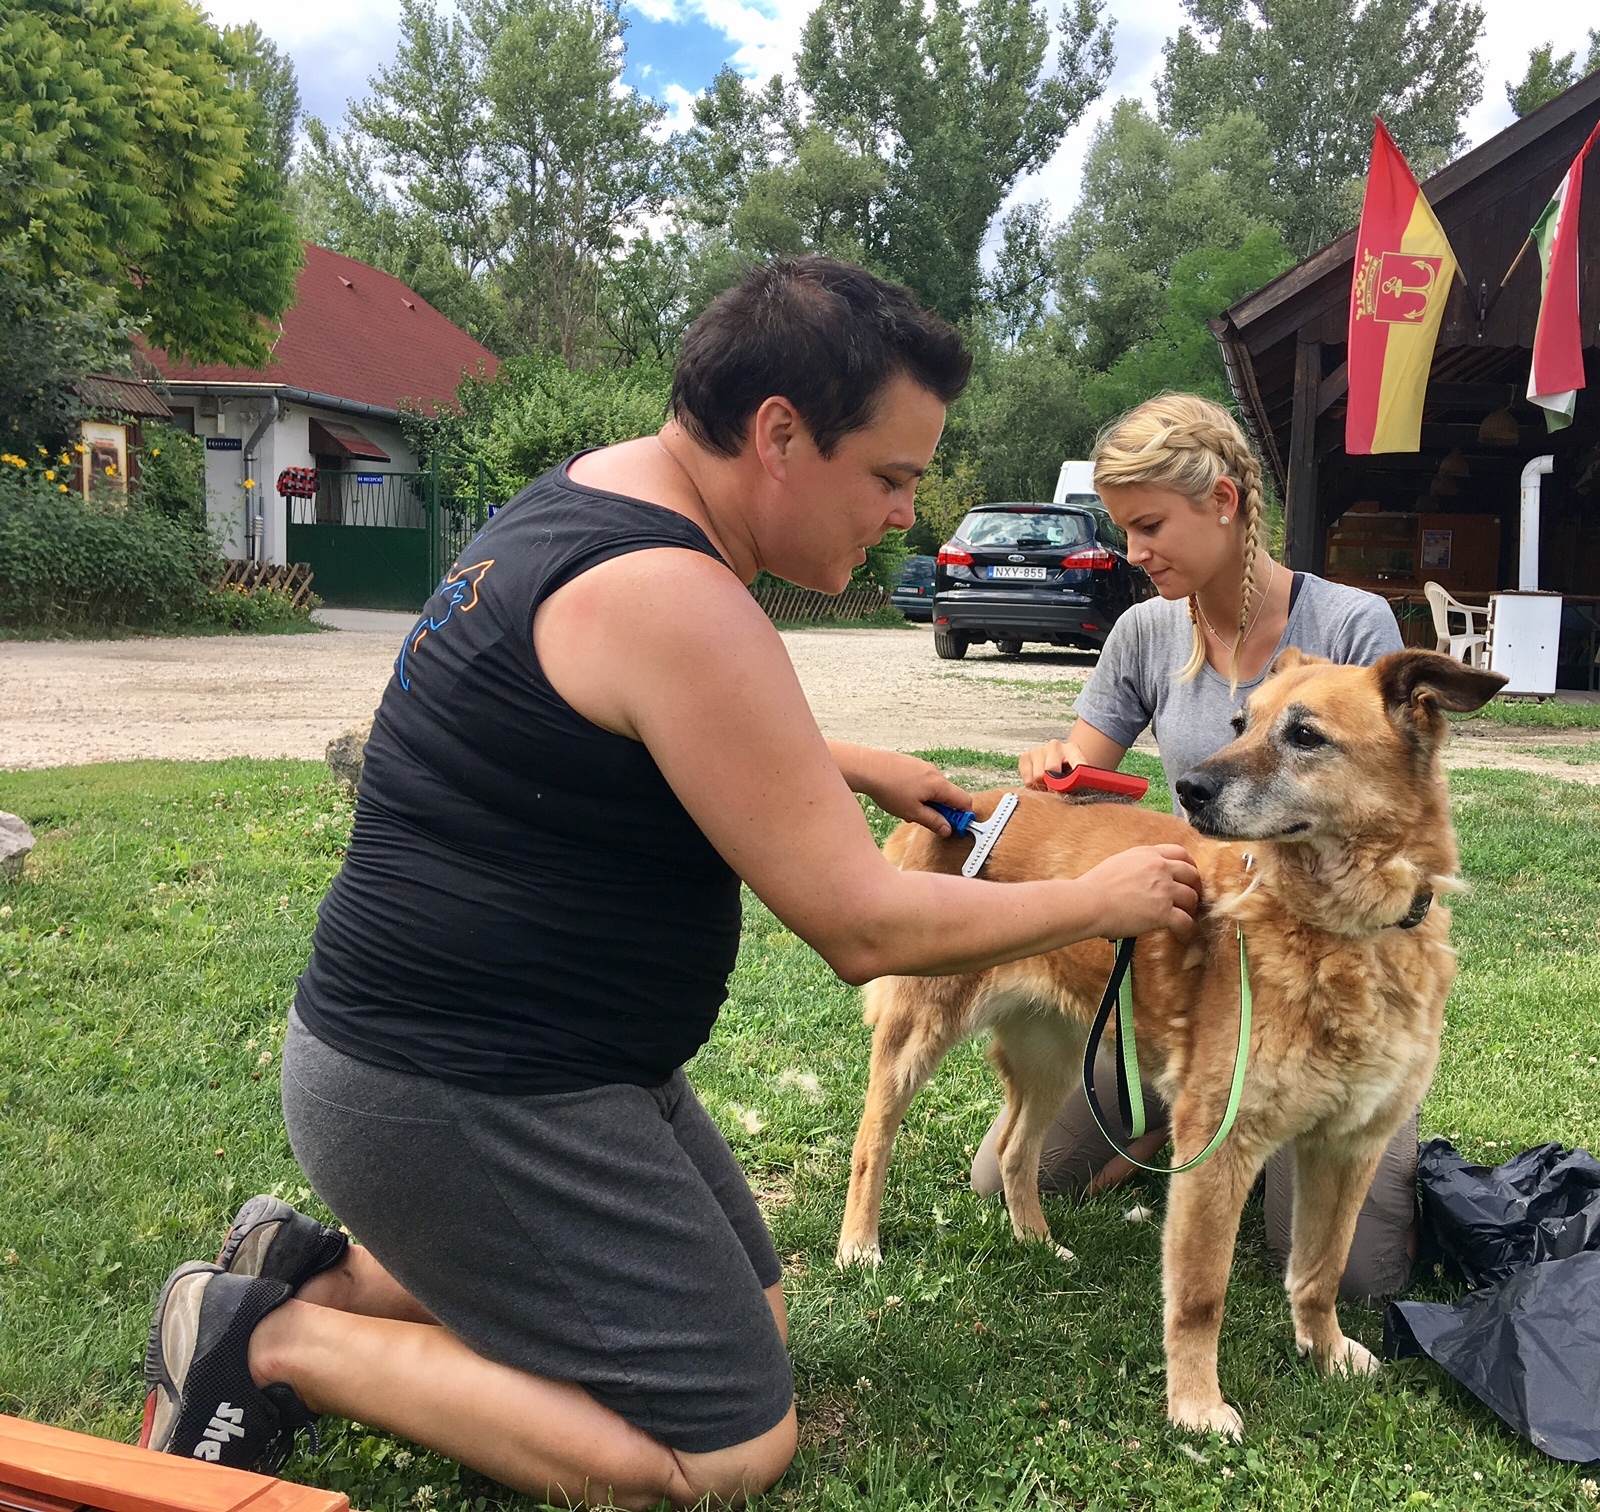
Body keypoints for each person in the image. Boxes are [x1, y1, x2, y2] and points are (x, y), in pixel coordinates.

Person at [138, 259, 1201, 1509]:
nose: (905, 518)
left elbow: (610, 721)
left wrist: (845, 764)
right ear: (780, 436)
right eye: (891, 478)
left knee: (754, 1313)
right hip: (455, 1086)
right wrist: (1105, 897)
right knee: (728, 1446)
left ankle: (311, 1270)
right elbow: (864, 927)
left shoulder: (595, 491)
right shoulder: (674, 594)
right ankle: (260, 1340)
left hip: (526, 1060)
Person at [970, 393, 1419, 1302]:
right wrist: (1056, 767)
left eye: (1147, 526)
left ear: (1223, 501)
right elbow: (1085, 787)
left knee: (1363, 1277)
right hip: (1190, 968)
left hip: (1322, 977)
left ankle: (1270, 1118)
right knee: (1004, 1181)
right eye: (1123, 530)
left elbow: (1392, 814)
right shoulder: (1144, 632)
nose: (1133, 554)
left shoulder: (1349, 629)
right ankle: (1168, 1107)